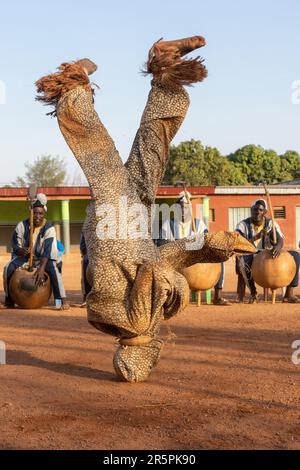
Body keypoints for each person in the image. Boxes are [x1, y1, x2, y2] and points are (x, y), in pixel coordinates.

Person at [36, 36, 255, 382]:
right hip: (128, 227)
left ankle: (73, 89)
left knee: (102, 155)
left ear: (143, 351)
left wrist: (218, 245)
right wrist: (210, 247)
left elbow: (157, 269)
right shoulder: (115, 322)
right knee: (153, 148)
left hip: (118, 227)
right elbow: (162, 260)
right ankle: (163, 68)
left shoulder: (137, 321)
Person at [158, 191, 230, 305]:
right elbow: (161, 243)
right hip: (177, 260)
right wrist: (179, 246)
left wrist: (197, 244)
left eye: (186, 208)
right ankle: (166, 298)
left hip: (196, 260)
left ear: (190, 209)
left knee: (220, 259)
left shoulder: (198, 224)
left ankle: (218, 296)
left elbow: (208, 241)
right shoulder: (169, 224)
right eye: (181, 207)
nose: (183, 210)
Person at [2, 193, 70, 310]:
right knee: (8, 267)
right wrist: (22, 251)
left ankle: (61, 300)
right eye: (35, 213)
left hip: (44, 259)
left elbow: (47, 251)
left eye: (40, 213)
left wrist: (42, 268)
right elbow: (15, 245)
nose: (37, 216)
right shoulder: (21, 226)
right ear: (31, 212)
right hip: (25, 257)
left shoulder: (49, 228)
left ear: (44, 214)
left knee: (53, 267)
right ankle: (9, 300)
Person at [236, 199, 300, 303]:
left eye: (260, 210)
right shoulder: (243, 225)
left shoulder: (271, 223)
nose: (257, 212)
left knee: (296, 256)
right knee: (243, 261)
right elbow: (239, 243)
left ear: (265, 212)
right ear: (251, 210)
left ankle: (289, 294)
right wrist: (256, 237)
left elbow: (280, 239)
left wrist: (278, 246)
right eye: (255, 209)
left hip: (269, 254)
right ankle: (253, 293)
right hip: (251, 254)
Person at [80, 232, 92, 307]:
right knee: (85, 277)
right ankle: (86, 297)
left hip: (99, 255)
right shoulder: (85, 228)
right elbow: (82, 245)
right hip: (87, 255)